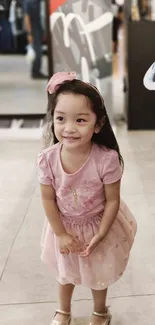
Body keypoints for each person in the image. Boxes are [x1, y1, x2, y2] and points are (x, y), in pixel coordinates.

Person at [37, 71, 137, 325]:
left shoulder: (106, 159)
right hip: (64, 225)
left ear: (98, 124)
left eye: (80, 120)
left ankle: (100, 311)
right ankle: (63, 310)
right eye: (60, 118)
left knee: (98, 273)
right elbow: (48, 200)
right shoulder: (47, 159)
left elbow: (113, 200)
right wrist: (60, 233)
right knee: (65, 273)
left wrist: (101, 234)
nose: (68, 128)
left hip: (98, 225)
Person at [23, 0, 47, 79]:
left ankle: (36, 71)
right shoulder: (29, 2)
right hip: (33, 31)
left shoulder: (40, 2)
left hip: (39, 29)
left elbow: (41, 16)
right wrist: (29, 33)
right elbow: (26, 17)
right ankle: (35, 72)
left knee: (38, 51)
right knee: (37, 53)